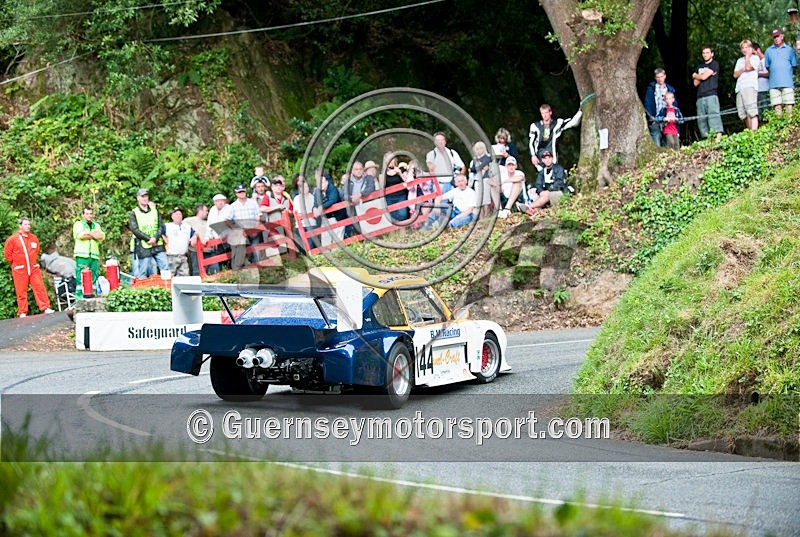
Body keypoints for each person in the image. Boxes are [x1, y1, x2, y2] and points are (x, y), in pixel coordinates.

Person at [4, 217, 54, 317]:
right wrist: (17, 263)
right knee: (21, 291)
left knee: (39, 287)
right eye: (25, 224)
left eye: (29, 224)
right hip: (20, 269)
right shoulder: (13, 239)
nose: (28, 226)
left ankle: (45, 307)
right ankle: (22, 312)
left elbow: (36, 250)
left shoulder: (33, 238)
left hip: (33, 267)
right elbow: (7, 254)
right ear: (20, 226)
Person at [129, 188, 168, 279]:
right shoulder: (134, 213)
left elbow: (160, 226)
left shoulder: (155, 211)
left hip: (157, 243)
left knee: (165, 267)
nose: (145, 198)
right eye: (142, 196)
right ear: (138, 198)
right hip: (143, 245)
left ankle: (167, 289)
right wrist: (148, 239)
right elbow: (135, 229)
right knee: (143, 270)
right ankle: (142, 291)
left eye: (146, 196)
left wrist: (155, 238)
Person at [528, 103, 582, 170]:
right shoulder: (535, 126)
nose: (544, 115)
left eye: (546, 113)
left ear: (550, 112)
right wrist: (533, 155)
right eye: (542, 113)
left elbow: (572, 123)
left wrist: (580, 111)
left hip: (553, 155)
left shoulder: (557, 124)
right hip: (539, 157)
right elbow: (531, 142)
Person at [517, 150, 567, 216]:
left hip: (558, 192)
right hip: (545, 195)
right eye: (545, 158)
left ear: (552, 158)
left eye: (549, 158)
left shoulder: (559, 168)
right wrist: (541, 192)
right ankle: (533, 211)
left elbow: (559, 182)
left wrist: (549, 191)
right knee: (538, 195)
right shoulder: (542, 172)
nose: (547, 160)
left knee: (546, 195)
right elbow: (538, 184)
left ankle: (529, 206)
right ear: (542, 160)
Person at [72, 207, 105, 298]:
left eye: (90, 213)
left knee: (94, 274)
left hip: (94, 254)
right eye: (87, 214)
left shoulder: (96, 225)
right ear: (83, 215)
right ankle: (80, 295)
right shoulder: (78, 224)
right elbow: (81, 236)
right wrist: (93, 234)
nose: (89, 216)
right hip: (82, 254)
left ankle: (92, 293)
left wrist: (89, 234)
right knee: (81, 275)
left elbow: (102, 236)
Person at [692, 46, 724, 139]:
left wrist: (695, 75)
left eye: (707, 52)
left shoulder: (714, 64)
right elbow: (695, 83)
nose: (705, 55)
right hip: (700, 96)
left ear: (712, 54)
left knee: (714, 115)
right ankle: (707, 140)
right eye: (703, 53)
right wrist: (701, 76)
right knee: (702, 119)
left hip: (711, 94)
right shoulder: (699, 67)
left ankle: (718, 138)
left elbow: (703, 77)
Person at [765, 28, 798, 116]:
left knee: (789, 106)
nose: (776, 39)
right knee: (777, 107)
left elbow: (794, 66)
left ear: (782, 36)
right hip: (774, 84)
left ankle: (790, 127)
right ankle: (780, 127)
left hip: (787, 83)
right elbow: (768, 67)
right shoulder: (768, 51)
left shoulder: (789, 50)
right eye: (774, 37)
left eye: (778, 36)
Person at [227, 184, 261, 270]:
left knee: (256, 251)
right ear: (236, 193)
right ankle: (246, 271)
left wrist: (256, 229)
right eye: (239, 192)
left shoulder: (253, 203)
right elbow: (227, 220)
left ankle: (259, 270)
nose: (242, 193)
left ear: (246, 192)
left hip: (253, 230)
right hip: (241, 233)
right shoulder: (233, 206)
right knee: (243, 253)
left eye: (243, 191)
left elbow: (258, 216)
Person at [643, 68, 677, 147]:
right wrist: (651, 117)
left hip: (667, 119)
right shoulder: (651, 88)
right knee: (656, 138)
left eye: (661, 76)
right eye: (658, 77)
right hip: (655, 118)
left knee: (668, 141)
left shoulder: (670, 89)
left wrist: (672, 116)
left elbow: (674, 104)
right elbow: (647, 104)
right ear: (655, 78)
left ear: (665, 76)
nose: (660, 79)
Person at [734, 39, 762, 130]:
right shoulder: (739, 60)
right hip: (739, 88)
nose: (744, 49)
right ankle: (750, 131)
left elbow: (749, 67)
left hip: (750, 86)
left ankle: (754, 132)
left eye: (746, 47)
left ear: (750, 48)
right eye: (743, 48)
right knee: (742, 113)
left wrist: (747, 57)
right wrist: (743, 69)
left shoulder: (755, 58)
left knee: (752, 111)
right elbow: (735, 74)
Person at [185, 203, 216, 276]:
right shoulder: (188, 221)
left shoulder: (208, 222)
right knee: (197, 272)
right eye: (206, 211)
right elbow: (183, 231)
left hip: (209, 251)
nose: (207, 213)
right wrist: (192, 237)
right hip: (196, 251)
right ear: (200, 211)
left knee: (214, 271)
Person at [163, 207, 191, 277]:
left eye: (180, 214)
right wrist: (165, 239)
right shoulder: (167, 226)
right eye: (176, 214)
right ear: (172, 216)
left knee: (185, 277)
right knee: (170, 276)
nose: (178, 216)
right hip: (171, 256)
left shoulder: (187, 226)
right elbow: (159, 232)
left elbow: (194, 233)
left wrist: (194, 237)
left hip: (183, 256)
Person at [469, 141, 494, 218]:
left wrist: (476, 168)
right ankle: (481, 217)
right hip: (477, 180)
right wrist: (479, 168)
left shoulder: (487, 157)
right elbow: (472, 169)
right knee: (479, 200)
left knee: (486, 200)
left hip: (485, 179)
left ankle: (486, 216)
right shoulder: (475, 159)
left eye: (480, 148)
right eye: (477, 149)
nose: (479, 150)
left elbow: (475, 168)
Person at [292, 175, 317, 252]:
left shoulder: (313, 197)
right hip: (300, 225)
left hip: (311, 224)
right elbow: (296, 212)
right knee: (302, 248)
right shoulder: (296, 199)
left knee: (311, 247)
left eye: (305, 186)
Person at [753, 42, 772, 119]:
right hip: (757, 90)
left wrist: (759, 74)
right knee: (760, 113)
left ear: (758, 50)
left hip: (765, 89)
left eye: (754, 53)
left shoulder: (766, 60)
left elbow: (770, 74)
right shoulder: (754, 61)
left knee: (767, 111)